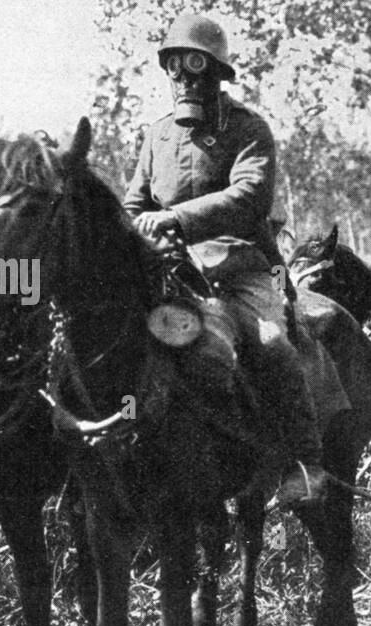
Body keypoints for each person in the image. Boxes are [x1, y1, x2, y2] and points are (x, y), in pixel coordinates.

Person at [123, 13, 331, 506]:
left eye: (198, 70)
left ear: (218, 76)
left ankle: (305, 464)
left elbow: (250, 195)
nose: (186, 80)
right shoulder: (156, 135)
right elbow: (134, 205)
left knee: (272, 341)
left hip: (239, 268)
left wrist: (173, 218)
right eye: (176, 69)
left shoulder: (249, 128)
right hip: (171, 267)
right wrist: (141, 234)